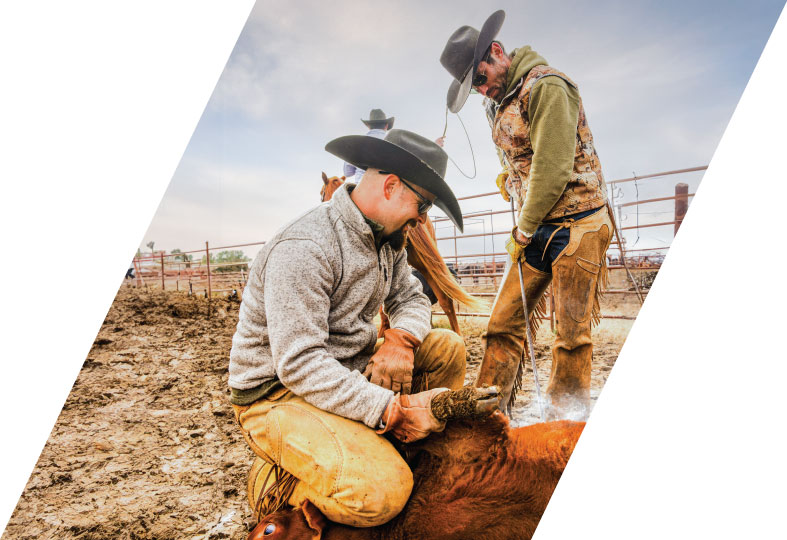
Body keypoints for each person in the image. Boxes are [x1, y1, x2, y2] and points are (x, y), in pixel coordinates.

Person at [228, 129, 467, 528]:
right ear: (391, 186)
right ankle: (278, 485)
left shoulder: (387, 240)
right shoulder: (305, 246)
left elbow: (410, 298)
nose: (422, 218)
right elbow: (300, 363)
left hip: (343, 369)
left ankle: (383, 446)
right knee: (381, 495)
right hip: (278, 393)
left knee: (447, 347)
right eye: (422, 204)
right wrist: (390, 409)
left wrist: (401, 340)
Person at [439, 10, 613, 421]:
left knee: (571, 336)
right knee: (502, 322)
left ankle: (563, 422)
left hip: (579, 223)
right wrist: (510, 177)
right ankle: (485, 416)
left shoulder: (549, 86)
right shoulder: (497, 101)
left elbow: (552, 169)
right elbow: (525, 155)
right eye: (472, 86)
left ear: (496, 52)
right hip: (538, 224)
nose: (480, 91)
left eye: (479, 79)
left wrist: (522, 230)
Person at [343, 108, 395, 182]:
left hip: (361, 188)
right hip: (388, 188)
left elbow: (348, 173)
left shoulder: (356, 144)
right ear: (386, 126)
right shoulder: (394, 143)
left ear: (369, 126)